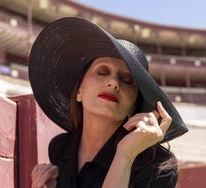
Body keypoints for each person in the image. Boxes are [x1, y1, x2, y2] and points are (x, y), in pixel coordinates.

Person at [28, 17, 188, 188]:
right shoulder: (59, 148)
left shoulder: (158, 166)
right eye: (102, 72)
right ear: (79, 90)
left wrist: (125, 155)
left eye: (127, 80)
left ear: (133, 105)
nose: (114, 83)